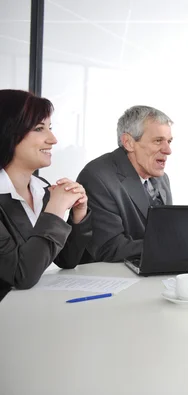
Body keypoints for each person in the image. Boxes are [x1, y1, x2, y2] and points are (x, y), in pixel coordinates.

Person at [0, 89, 92, 289]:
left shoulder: (41, 189)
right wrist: (56, 209)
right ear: (8, 132)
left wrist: (78, 215)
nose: (53, 139)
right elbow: (20, 275)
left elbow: (66, 260)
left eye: (50, 127)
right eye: (40, 128)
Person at [77, 105, 173, 262]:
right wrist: (175, 247)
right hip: (108, 280)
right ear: (128, 142)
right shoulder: (98, 176)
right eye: (158, 141)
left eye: (169, 141)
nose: (168, 150)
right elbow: (109, 247)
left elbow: (165, 233)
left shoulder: (162, 178)